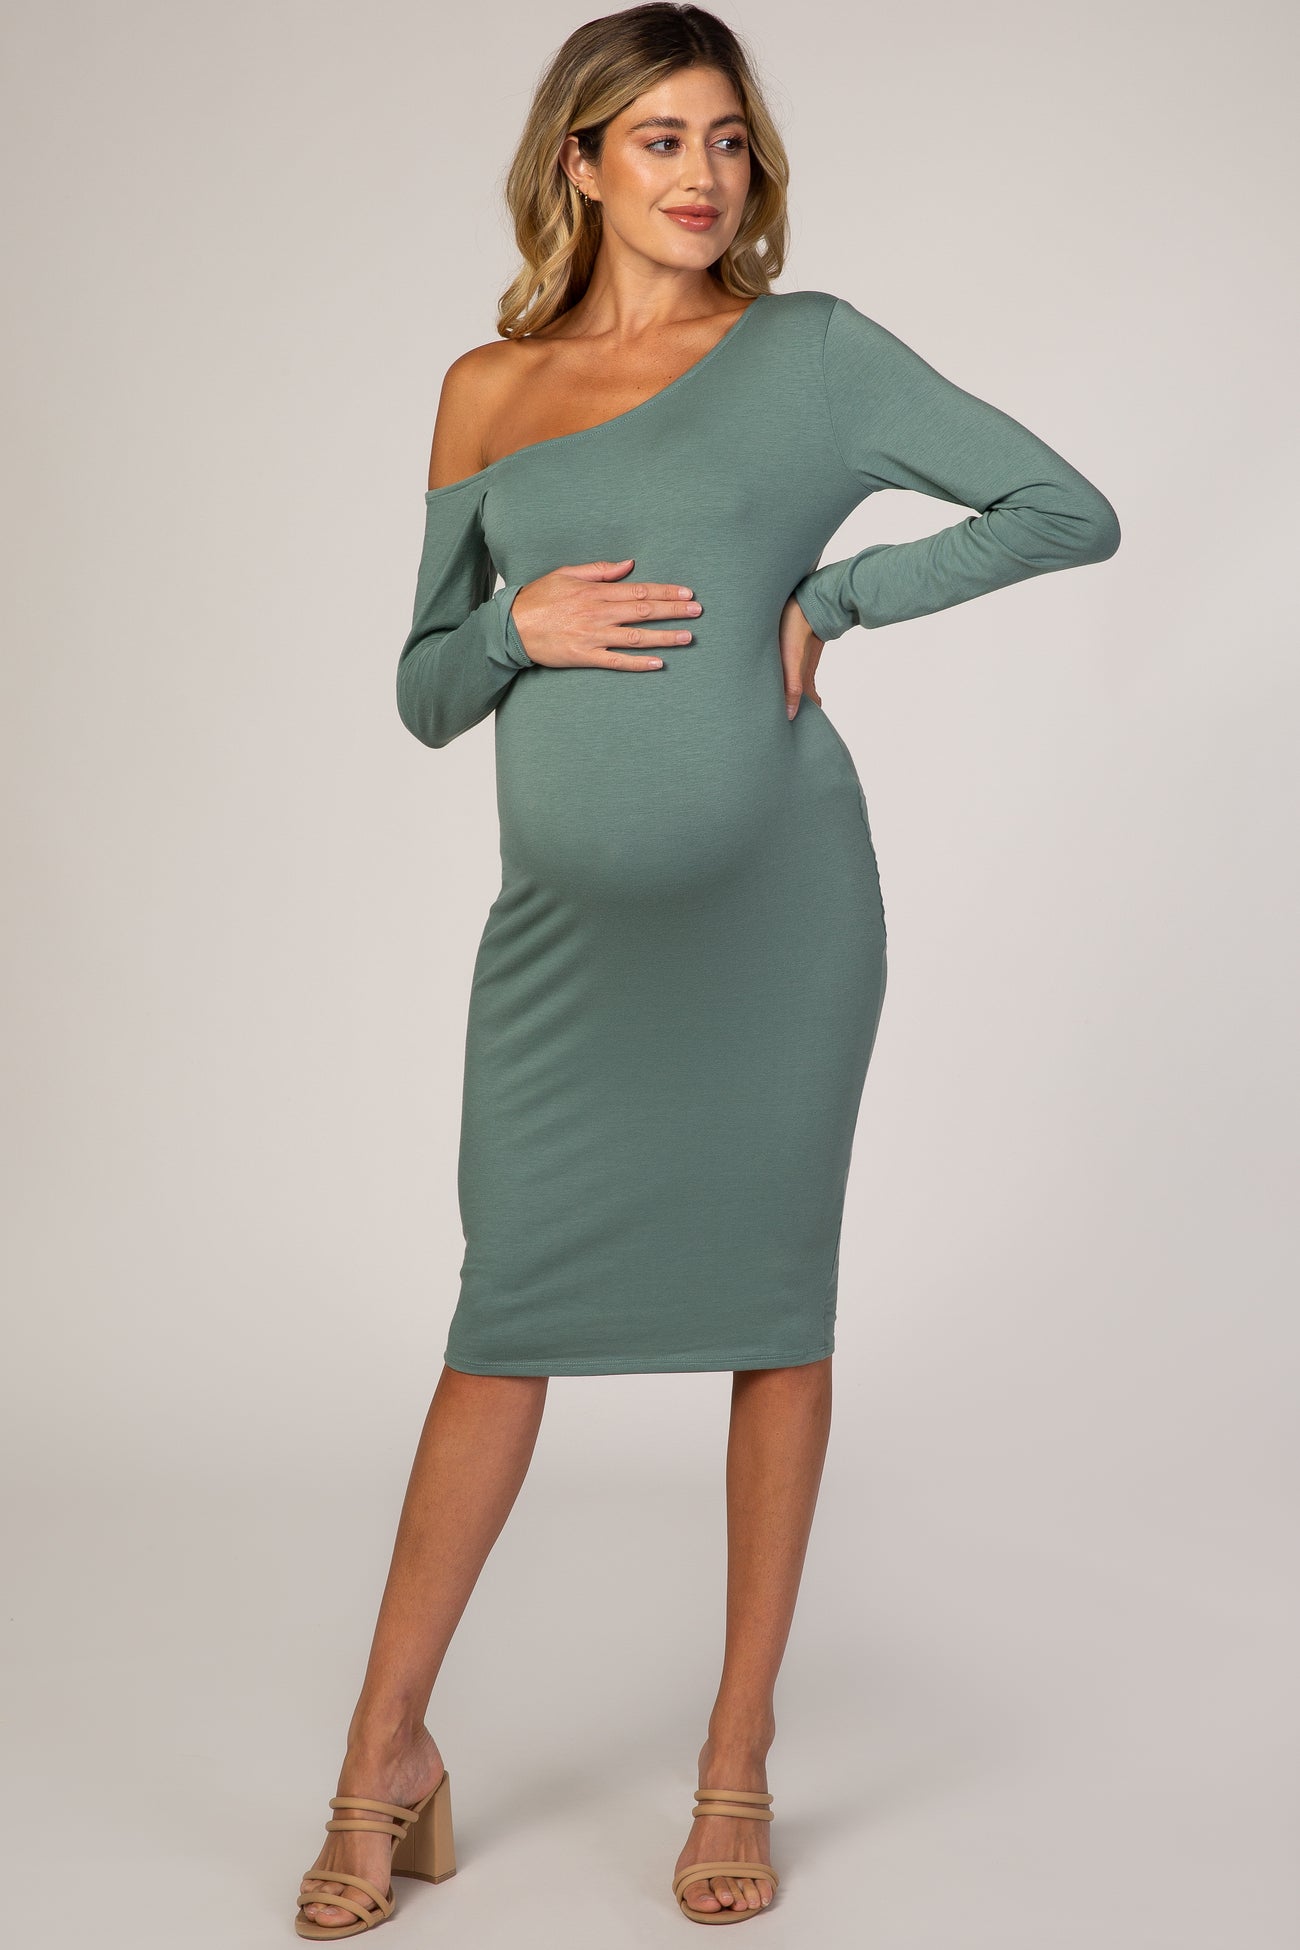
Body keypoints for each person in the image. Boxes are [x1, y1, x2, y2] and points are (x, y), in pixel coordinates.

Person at [294, 3, 1120, 1935]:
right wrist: (517, 628)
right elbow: (425, 689)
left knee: (773, 1308)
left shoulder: (810, 355)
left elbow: (1065, 507)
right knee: (504, 1318)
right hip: (568, 953)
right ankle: (384, 1749)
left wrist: (838, 594)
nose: (701, 173)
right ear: (579, 163)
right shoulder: (489, 390)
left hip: (779, 925)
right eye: (659, 138)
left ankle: (735, 1757)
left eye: (727, 139)